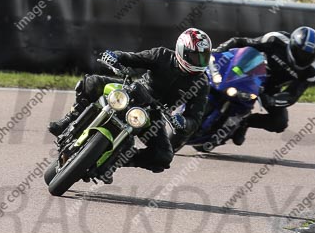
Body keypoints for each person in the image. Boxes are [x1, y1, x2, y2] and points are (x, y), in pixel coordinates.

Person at [48, 28, 212, 180]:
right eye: (196, 56)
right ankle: (69, 121)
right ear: (182, 51)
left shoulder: (201, 83)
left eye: (204, 56)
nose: (200, 61)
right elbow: (133, 58)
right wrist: (115, 57)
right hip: (133, 92)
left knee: (163, 156)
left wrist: (184, 122)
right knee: (91, 83)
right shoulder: (162, 55)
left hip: (155, 113)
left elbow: (194, 118)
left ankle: (115, 161)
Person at [214, 26, 315, 144]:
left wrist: (272, 100)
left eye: (307, 56)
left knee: (280, 122)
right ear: (292, 45)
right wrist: (218, 52)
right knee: (218, 77)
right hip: (250, 72)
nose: (303, 58)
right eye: (300, 53)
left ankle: (244, 122)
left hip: (271, 89)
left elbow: (292, 95)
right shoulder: (276, 40)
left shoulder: (311, 72)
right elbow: (240, 42)